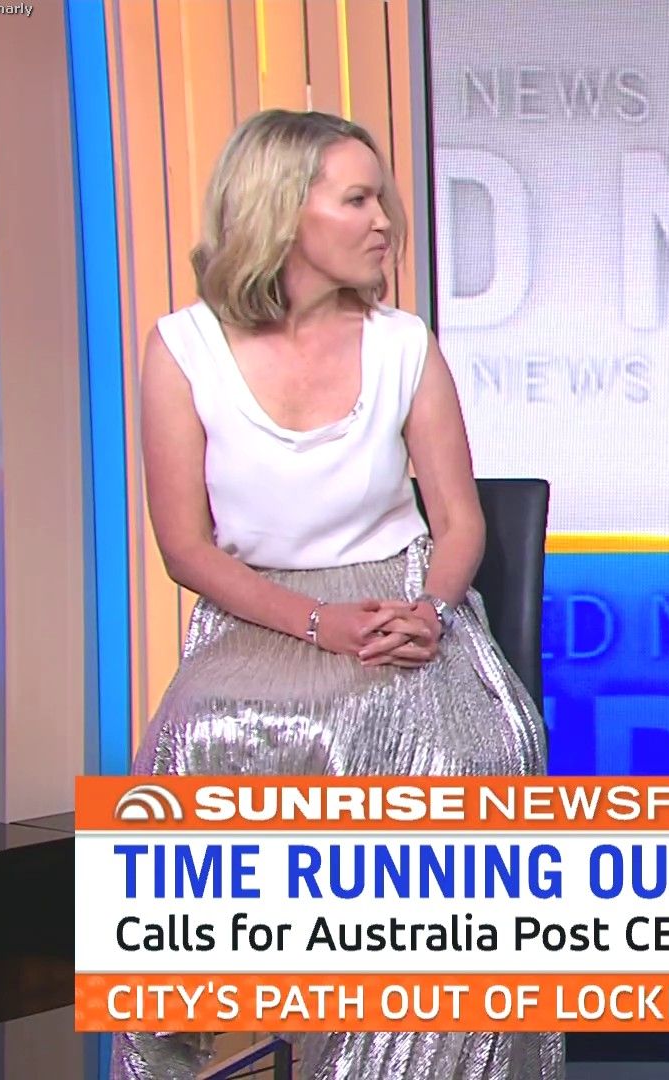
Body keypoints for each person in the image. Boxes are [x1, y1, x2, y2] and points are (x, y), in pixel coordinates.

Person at [115, 110, 563, 1079]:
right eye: (358, 200)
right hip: (258, 610)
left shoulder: (404, 344)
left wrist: (430, 612)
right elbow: (186, 547)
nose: (384, 221)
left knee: (467, 757)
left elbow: (461, 522)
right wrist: (319, 625)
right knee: (197, 746)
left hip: (404, 596)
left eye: (382, 199)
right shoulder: (181, 349)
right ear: (283, 211)